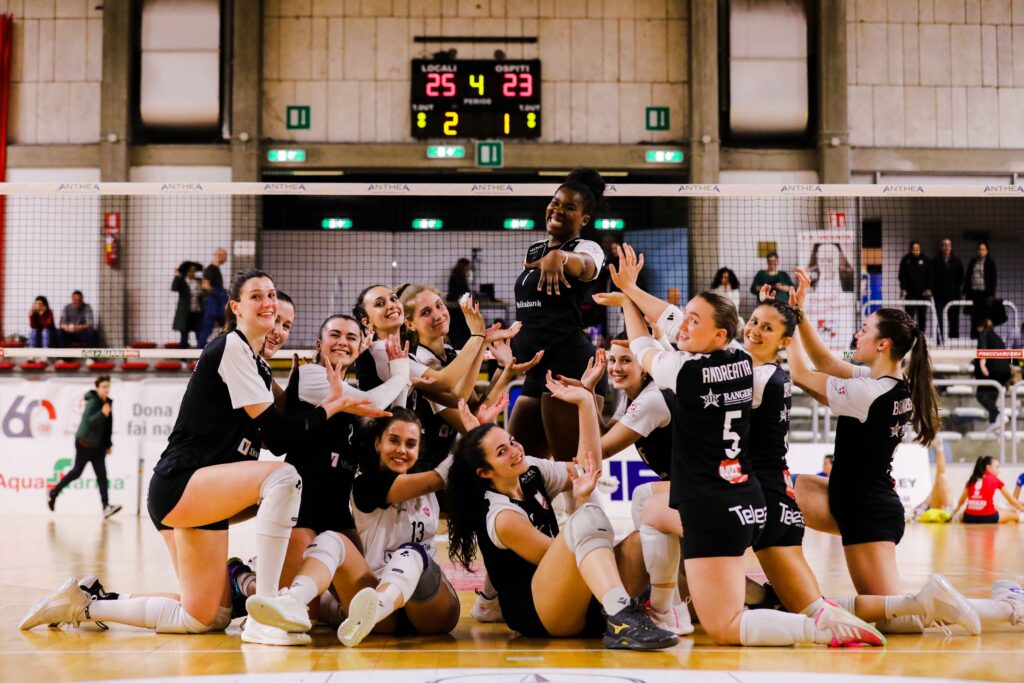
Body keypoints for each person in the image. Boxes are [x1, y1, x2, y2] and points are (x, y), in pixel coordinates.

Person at [20, 269, 362, 637]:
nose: (277, 324)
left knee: (205, 617)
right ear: (236, 307)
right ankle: (266, 605)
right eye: (263, 304)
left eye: (285, 321)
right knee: (284, 478)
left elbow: (286, 432)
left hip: (201, 494)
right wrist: (332, 406)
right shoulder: (233, 346)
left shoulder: (259, 368)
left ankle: (86, 603)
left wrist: (339, 396)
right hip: (183, 481)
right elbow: (279, 439)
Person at [607, 243, 883, 647]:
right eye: (752, 322)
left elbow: (648, 344)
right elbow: (673, 324)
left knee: (736, 620)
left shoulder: (723, 373)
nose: (753, 331)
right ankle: (671, 605)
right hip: (751, 494)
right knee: (652, 505)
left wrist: (629, 295)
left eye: (766, 328)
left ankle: (669, 606)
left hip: (741, 498)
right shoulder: (742, 361)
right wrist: (631, 293)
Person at [786, 267, 993, 635]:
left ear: (883, 344)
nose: (857, 334)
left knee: (897, 619)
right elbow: (826, 363)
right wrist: (800, 314)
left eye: (864, 330)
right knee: (774, 491)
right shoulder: (884, 382)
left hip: (867, 510)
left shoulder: (870, 392)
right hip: (851, 497)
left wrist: (783, 331)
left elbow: (803, 375)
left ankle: (1005, 608)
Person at [445, 373, 678, 651]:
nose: (515, 450)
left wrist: (586, 405)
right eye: (502, 451)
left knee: (641, 541)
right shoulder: (501, 515)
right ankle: (621, 614)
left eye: (511, 441)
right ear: (484, 472)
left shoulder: (530, 470)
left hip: (574, 599)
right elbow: (571, 557)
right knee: (586, 516)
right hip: (541, 613)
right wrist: (580, 504)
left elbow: (586, 467)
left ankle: (652, 610)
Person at [335, 407, 465, 647]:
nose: (401, 450)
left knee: (412, 552)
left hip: (428, 605)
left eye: (410, 444)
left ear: (418, 449)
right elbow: (437, 478)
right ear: (377, 444)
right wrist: (469, 434)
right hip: (382, 605)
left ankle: (374, 609)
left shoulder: (429, 493)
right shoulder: (366, 484)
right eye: (394, 440)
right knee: (332, 544)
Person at [508, 168, 608, 463]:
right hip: (536, 371)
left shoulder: (588, 248)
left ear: (584, 219)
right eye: (555, 202)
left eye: (570, 207)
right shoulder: (535, 249)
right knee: (518, 464)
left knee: (574, 470)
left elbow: (585, 265)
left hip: (569, 367)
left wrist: (561, 257)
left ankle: (586, 511)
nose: (558, 210)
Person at [47, 376, 120, 518]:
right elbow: (88, 422)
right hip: (85, 444)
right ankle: (53, 492)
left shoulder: (107, 403)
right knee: (76, 471)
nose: (106, 389)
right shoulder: (93, 402)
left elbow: (107, 426)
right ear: (97, 388)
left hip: (98, 446)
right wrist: (102, 414)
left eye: (108, 386)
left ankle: (106, 506)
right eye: (104, 387)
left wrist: (108, 444)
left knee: (102, 475)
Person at [952, 456, 1024, 524]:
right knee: (1014, 515)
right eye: (997, 467)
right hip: (988, 517)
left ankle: (954, 517)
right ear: (988, 467)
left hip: (969, 517)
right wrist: (1022, 509)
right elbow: (1011, 500)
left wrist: (957, 508)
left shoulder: (972, 479)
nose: (999, 470)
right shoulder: (995, 480)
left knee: (962, 514)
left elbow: (961, 500)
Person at [974, 318, 1011, 432]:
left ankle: (999, 414)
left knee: (981, 395)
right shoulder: (999, 338)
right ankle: (993, 424)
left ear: (981, 327)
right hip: (1005, 371)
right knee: (992, 397)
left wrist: (982, 363)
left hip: (993, 370)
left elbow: (983, 349)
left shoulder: (983, 334)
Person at [932, 238, 964, 342]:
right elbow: (932, 278)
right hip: (939, 296)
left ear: (951, 247)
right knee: (939, 319)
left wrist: (960, 293)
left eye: (948, 245)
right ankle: (939, 342)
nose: (946, 247)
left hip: (953, 296)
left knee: (954, 320)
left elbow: (961, 278)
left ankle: (954, 341)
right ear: (941, 247)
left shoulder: (957, 262)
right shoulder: (935, 262)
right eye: (944, 245)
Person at [964, 241, 997, 338]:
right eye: (979, 249)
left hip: (985, 295)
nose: (980, 251)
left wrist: (991, 295)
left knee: (985, 319)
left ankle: (987, 339)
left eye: (983, 249)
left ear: (987, 251)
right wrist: (965, 292)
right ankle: (973, 338)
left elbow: (993, 280)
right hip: (974, 294)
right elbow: (967, 278)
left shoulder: (990, 263)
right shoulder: (973, 262)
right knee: (974, 318)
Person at [898, 241, 932, 333]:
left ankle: (922, 334)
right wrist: (903, 288)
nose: (916, 251)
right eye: (914, 249)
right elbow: (902, 276)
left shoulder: (926, 260)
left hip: (922, 294)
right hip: (910, 294)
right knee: (909, 316)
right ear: (911, 250)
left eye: (918, 249)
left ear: (920, 249)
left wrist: (928, 288)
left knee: (922, 316)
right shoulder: (906, 260)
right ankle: (909, 334)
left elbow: (930, 275)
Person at [198, 248, 229, 348]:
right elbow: (205, 285)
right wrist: (219, 293)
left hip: (217, 304)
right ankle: (198, 352)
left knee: (225, 326)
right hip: (212, 304)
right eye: (225, 256)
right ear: (219, 255)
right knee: (207, 328)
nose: (226, 258)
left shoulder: (216, 269)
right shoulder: (210, 269)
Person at [172, 262, 203, 348]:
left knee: (199, 335)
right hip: (185, 313)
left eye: (194, 270)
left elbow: (204, 293)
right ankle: (183, 360)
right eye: (190, 270)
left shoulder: (198, 281)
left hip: (197, 312)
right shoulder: (182, 281)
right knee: (184, 336)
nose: (192, 272)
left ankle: (199, 358)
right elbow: (174, 288)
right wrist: (177, 275)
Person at [445, 258, 473, 348]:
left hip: (455, 306)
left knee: (456, 329)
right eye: (467, 266)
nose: (468, 268)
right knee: (460, 329)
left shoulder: (457, 274)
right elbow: (463, 291)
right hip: (455, 307)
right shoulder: (458, 275)